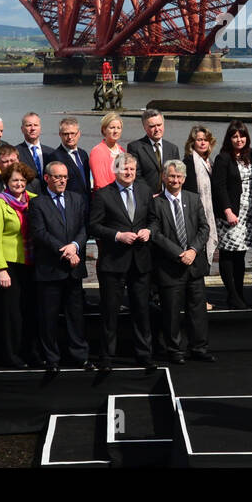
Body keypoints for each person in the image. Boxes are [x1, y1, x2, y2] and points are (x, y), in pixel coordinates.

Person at [88, 153, 155, 372]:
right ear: (116, 170)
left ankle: (144, 355)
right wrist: (118, 235)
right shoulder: (103, 195)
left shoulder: (144, 191)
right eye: (125, 169)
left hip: (140, 260)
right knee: (110, 311)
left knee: (142, 310)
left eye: (132, 170)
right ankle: (106, 357)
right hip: (113, 262)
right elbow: (94, 226)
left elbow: (154, 220)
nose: (129, 173)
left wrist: (148, 231)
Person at [148, 160, 214, 364]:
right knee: (171, 311)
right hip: (170, 266)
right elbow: (155, 234)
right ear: (164, 178)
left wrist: (193, 250)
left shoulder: (194, 199)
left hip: (194, 264)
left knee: (198, 311)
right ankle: (174, 350)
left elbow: (204, 228)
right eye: (172, 176)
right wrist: (179, 253)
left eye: (179, 177)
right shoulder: (155, 203)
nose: (175, 180)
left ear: (184, 179)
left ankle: (199, 348)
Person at [27, 163, 92, 371]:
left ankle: (80, 356)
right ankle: (52, 359)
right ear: (46, 178)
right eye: (57, 177)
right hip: (50, 268)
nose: (62, 180)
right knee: (49, 317)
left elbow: (83, 228)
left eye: (64, 177)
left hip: (73, 268)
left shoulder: (77, 199)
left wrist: (74, 247)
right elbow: (39, 233)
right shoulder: (38, 203)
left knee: (76, 317)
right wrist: (63, 250)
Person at [0, 161, 35, 367]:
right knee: (10, 313)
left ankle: (28, 352)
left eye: (22, 180)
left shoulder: (34, 200)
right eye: (14, 180)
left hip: (31, 263)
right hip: (9, 264)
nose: (19, 183)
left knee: (28, 310)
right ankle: (10, 355)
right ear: (6, 181)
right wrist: (1, 269)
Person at [212, 121, 252, 308]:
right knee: (228, 253)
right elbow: (219, 187)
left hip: (248, 213)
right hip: (231, 213)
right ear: (229, 139)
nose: (239, 139)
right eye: (235, 136)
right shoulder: (223, 158)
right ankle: (231, 293)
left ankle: (239, 292)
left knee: (241, 254)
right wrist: (228, 211)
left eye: (242, 135)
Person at [182, 125, 219, 281]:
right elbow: (188, 191)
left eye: (206, 140)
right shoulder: (189, 162)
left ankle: (201, 296)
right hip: (195, 215)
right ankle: (198, 297)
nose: (203, 143)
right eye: (199, 140)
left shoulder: (209, 162)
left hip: (209, 214)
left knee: (203, 254)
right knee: (196, 252)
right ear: (192, 142)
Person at [128, 109, 181, 197]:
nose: (157, 129)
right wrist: (149, 195)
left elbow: (178, 174)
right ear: (145, 127)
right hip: (147, 198)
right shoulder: (135, 147)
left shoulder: (172, 148)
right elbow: (136, 176)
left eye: (159, 125)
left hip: (168, 198)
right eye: (152, 126)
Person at [51, 116, 93, 198]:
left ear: (79, 134)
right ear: (60, 135)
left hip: (87, 203)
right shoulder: (55, 157)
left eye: (73, 133)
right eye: (66, 134)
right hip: (70, 204)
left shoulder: (83, 154)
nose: (70, 137)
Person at [88, 111, 126, 188]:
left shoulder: (122, 151)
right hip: (106, 196)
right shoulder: (97, 151)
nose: (116, 131)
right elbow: (100, 183)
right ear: (104, 130)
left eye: (118, 128)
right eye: (112, 128)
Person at [16, 112, 55, 183]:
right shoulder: (16, 152)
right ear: (22, 129)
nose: (33, 128)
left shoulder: (51, 152)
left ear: (40, 128)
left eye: (36, 125)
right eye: (29, 125)